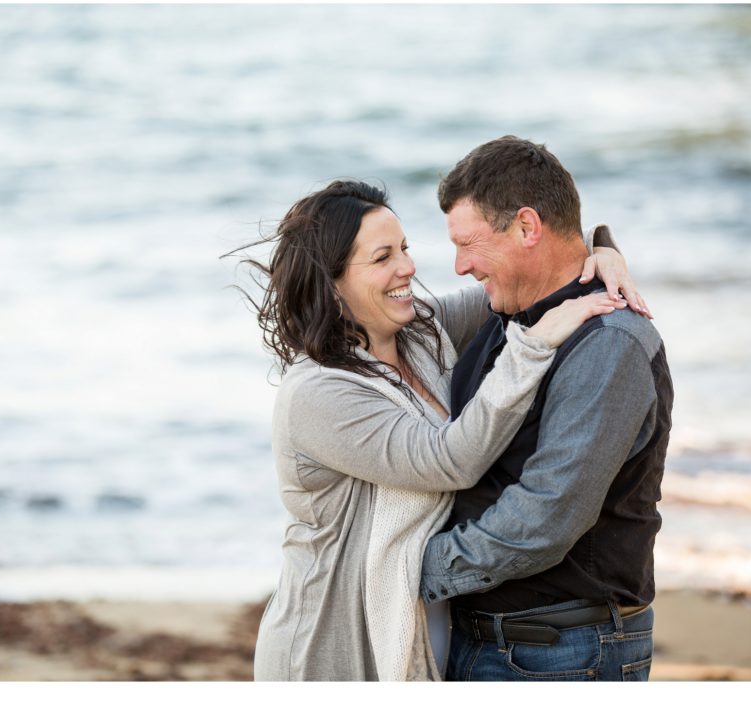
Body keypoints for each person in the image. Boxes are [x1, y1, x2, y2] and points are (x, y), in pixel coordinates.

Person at [236, 180, 640, 681]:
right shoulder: (319, 393)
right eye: (382, 257)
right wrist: (531, 348)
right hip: (330, 645)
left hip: (420, 634)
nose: (407, 267)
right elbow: (449, 460)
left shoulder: (419, 334)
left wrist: (601, 254)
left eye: (404, 248)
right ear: (332, 282)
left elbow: (527, 274)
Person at [418, 136, 674, 682]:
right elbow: (384, 319)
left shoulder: (610, 343)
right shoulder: (510, 312)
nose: (460, 266)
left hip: (562, 653)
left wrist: (411, 567)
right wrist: (604, 244)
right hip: (494, 642)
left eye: (469, 244)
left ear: (528, 227)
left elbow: (545, 518)